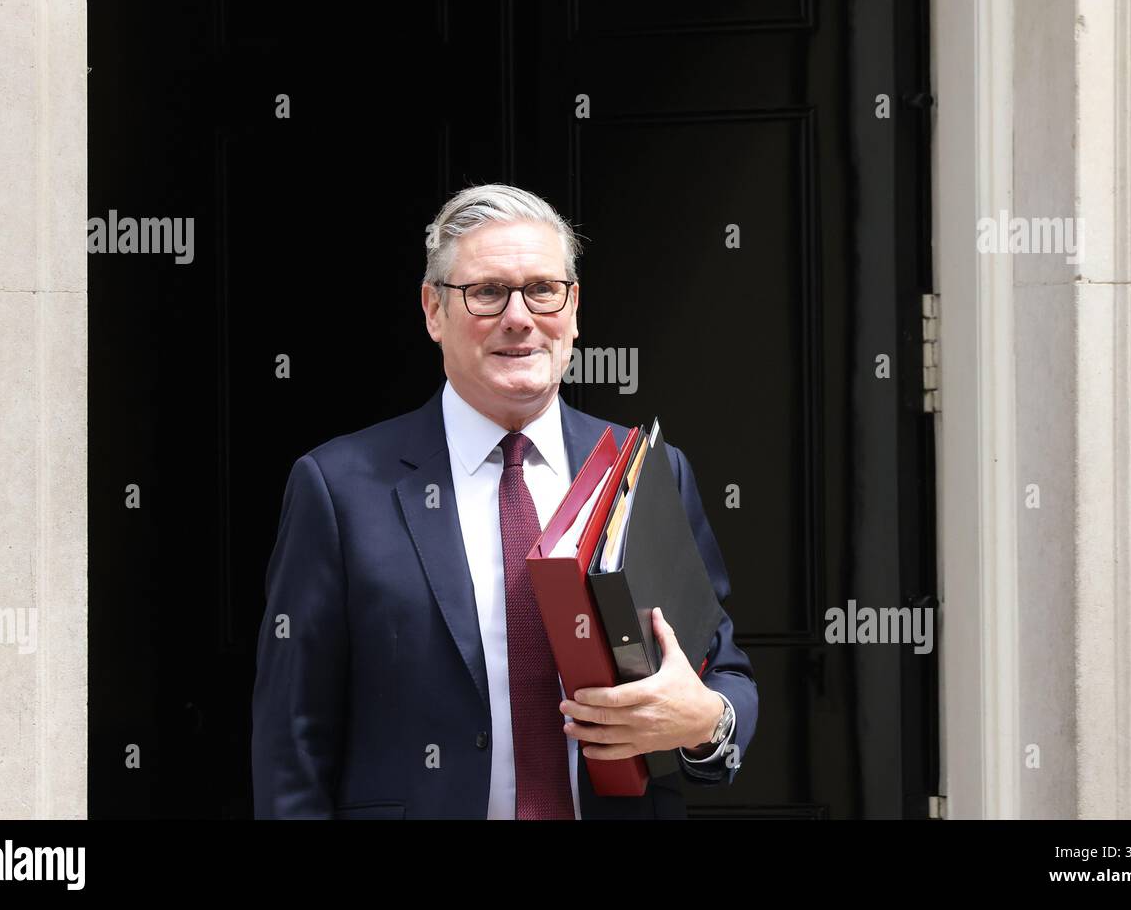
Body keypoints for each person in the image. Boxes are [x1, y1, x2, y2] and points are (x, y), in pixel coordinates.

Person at [251, 184, 758, 819]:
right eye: (487, 293)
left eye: (543, 290)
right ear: (433, 310)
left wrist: (708, 720)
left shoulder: (646, 471)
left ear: (572, 308)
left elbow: (723, 672)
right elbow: (292, 738)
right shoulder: (338, 487)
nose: (519, 317)